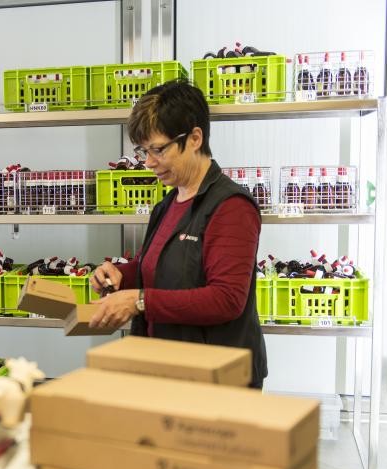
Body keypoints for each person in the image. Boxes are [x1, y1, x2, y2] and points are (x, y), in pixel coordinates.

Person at [88, 79, 267, 389]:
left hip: (218, 379)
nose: (148, 162)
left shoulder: (231, 207)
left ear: (195, 138)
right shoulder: (169, 203)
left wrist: (140, 301)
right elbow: (159, 267)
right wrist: (119, 276)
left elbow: (227, 299)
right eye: (143, 151)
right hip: (168, 369)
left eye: (158, 149)